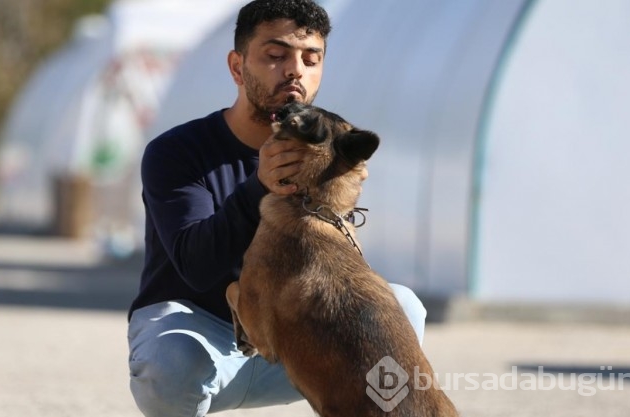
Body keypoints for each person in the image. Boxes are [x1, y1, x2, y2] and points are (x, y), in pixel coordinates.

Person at [127, 1, 427, 416]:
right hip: (202, 340)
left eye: (311, 58)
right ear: (237, 67)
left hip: (293, 345)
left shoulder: (331, 152)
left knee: (403, 307)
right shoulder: (177, 152)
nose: (295, 70)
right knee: (171, 361)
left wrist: (336, 194)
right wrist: (258, 188)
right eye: (275, 55)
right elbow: (196, 269)